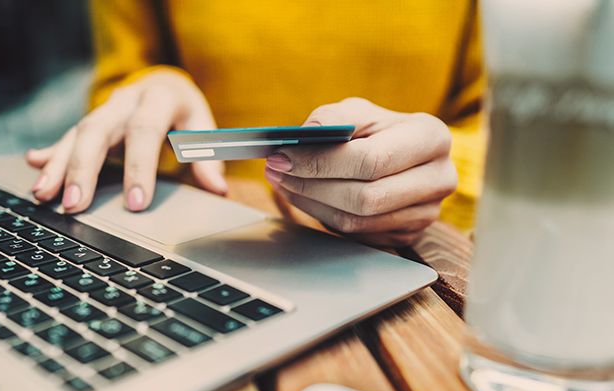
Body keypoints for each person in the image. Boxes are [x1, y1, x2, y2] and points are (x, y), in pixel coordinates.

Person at [25, 0, 485, 246]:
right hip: (187, 233)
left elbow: (508, 135)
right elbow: (118, 86)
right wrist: (152, 89)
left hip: (408, 252)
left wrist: (432, 176)